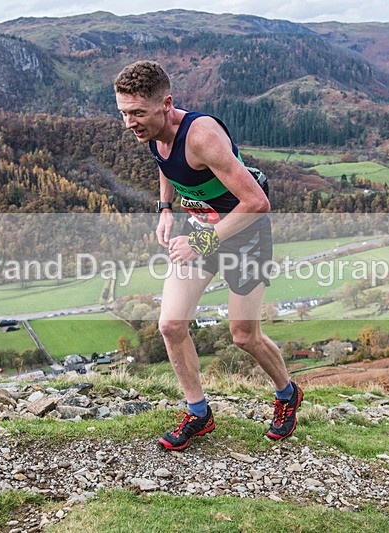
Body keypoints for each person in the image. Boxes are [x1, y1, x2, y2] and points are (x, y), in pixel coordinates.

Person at [114, 60, 301, 451]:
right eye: (124, 113)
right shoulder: (152, 131)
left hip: (244, 234)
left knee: (244, 336)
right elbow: (166, 164)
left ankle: (287, 393)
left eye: (138, 113)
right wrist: (165, 209)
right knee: (171, 325)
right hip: (201, 229)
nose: (130, 123)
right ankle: (198, 413)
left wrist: (200, 242)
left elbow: (257, 203)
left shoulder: (202, 137)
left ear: (166, 104)